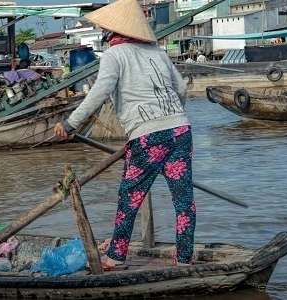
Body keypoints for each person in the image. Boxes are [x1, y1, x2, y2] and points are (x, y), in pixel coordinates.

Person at [52, 0, 195, 269]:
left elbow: (98, 92)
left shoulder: (114, 56)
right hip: (181, 130)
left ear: (112, 35)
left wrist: (70, 124)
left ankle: (115, 256)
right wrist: (172, 118)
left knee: (130, 197)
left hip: (148, 135)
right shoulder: (158, 52)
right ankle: (185, 258)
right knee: (183, 199)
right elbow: (182, 90)